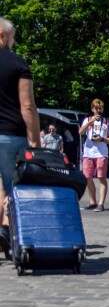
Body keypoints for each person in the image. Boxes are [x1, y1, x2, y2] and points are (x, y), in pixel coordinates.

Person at [0, 18, 41, 249]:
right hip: (10, 134)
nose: (13, 41)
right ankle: (5, 229)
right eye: (13, 36)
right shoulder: (17, 64)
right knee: (12, 185)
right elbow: (28, 106)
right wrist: (34, 138)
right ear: (2, 35)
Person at [79, 98, 109, 211]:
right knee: (87, 177)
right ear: (92, 109)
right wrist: (90, 122)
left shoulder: (108, 122)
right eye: (96, 108)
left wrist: (102, 139)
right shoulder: (88, 120)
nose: (98, 110)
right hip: (88, 153)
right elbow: (80, 132)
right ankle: (92, 201)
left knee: (101, 177)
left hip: (101, 153)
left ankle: (101, 204)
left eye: (100, 108)